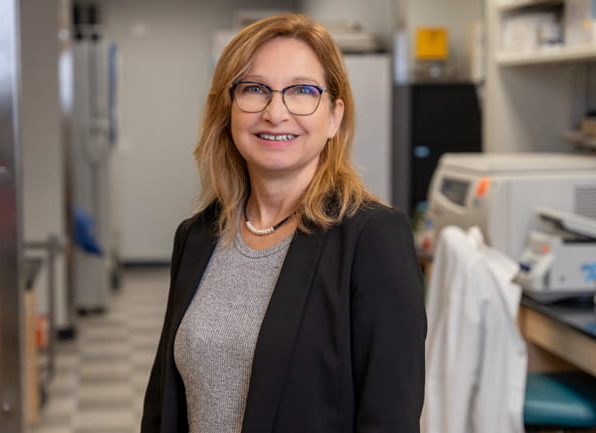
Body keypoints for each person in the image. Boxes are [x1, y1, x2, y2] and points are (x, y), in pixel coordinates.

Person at [141, 13, 426, 433]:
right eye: (255, 89)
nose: (276, 112)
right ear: (229, 110)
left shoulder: (373, 240)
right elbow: (163, 405)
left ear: (334, 116)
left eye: (302, 91)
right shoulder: (198, 236)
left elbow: (391, 420)